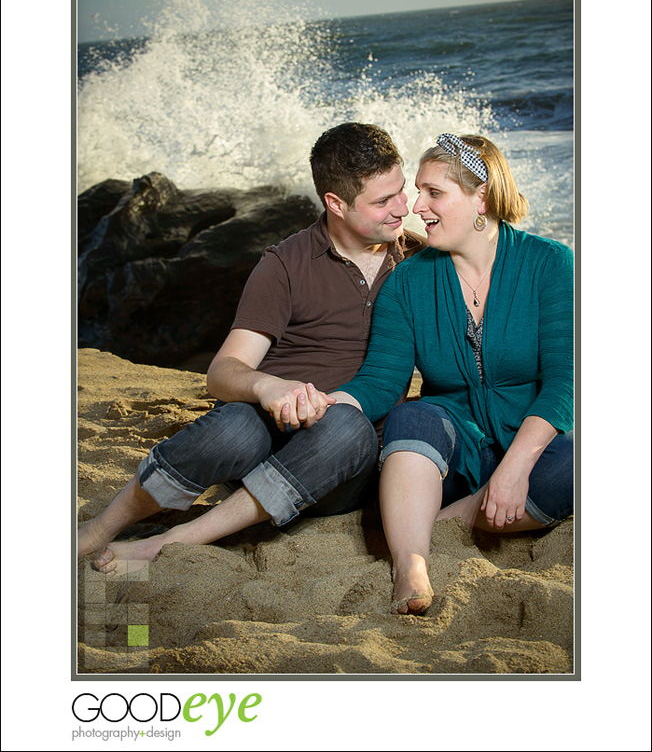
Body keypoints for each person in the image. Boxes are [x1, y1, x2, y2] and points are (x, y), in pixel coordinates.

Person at [78, 122, 425, 575]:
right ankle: (102, 528)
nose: (403, 208)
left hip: (342, 465)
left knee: (349, 426)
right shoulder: (285, 263)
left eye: (400, 191)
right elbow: (223, 371)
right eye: (383, 201)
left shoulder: (417, 260)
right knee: (235, 425)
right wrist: (268, 387)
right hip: (263, 440)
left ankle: (167, 542)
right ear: (336, 204)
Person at [333, 133, 573, 615]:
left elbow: (567, 382)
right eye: (418, 191)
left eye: (433, 192)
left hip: (533, 449)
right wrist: (329, 402)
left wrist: (514, 468)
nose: (416, 207)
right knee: (412, 418)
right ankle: (411, 562)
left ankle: (435, 519)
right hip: (452, 448)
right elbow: (381, 381)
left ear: (480, 196)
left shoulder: (550, 263)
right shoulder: (406, 283)